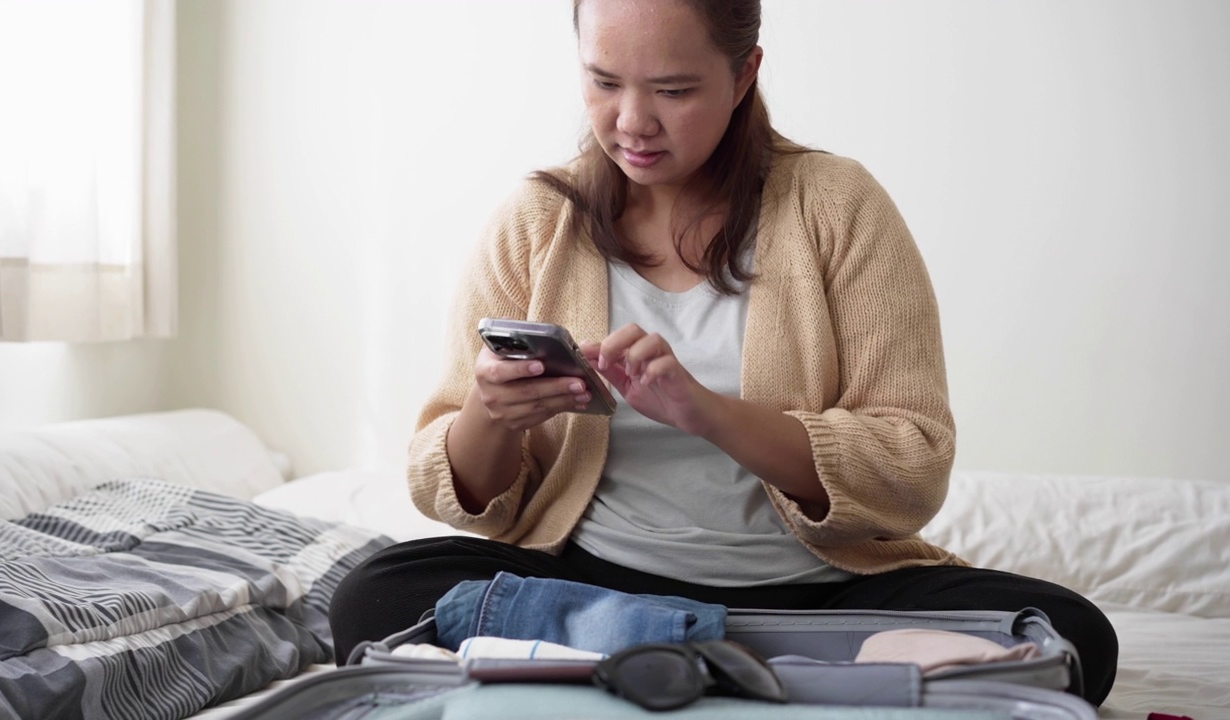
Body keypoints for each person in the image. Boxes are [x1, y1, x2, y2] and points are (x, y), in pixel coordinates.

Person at [330, 0, 1118, 705]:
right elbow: (448, 487)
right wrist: (492, 413)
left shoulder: (839, 206)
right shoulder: (540, 219)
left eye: (673, 91)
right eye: (604, 81)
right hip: (595, 578)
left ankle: (667, 649)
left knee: (1078, 633)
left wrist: (709, 415)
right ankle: (770, 664)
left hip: (813, 587)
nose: (632, 121)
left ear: (745, 74)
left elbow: (912, 468)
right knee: (373, 594)